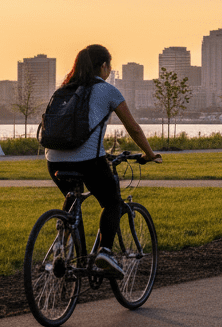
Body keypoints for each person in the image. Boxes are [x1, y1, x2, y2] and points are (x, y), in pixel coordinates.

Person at [46, 45, 161, 277]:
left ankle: (63, 246)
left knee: (73, 198)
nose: (110, 70)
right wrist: (149, 154)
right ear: (103, 67)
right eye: (109, 65)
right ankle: (105, 252)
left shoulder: (64, 90)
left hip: (54, 160)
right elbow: (134, 129)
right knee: (112, 202)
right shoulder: (107, 90)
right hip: (88, 161)